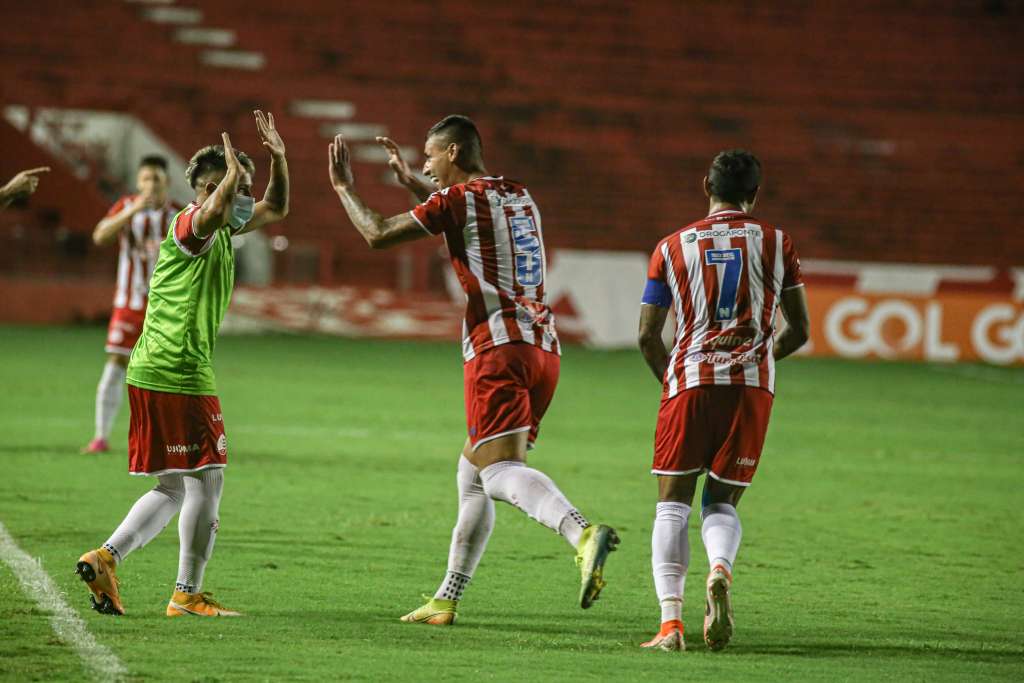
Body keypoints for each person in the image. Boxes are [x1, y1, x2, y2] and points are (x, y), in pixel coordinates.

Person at [327, 115, 619, 625]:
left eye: (431, 156)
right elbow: (466, 210)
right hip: (543, 347)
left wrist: (344, 187)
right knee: (472, 473)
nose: (426, 166)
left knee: (499, 470)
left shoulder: (456, 201)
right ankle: (446, 597)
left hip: (497, 348)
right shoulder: (520, 196)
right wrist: (417, 184)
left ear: (455, 152)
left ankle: (582, 533)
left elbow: (377, 233)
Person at [75, 111, 289, 618]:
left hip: (155, 368)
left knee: (174, 484)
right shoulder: (189, 227)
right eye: (234, 190)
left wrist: (278, 159)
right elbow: (212, 213)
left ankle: (107, 558)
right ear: (207, 189)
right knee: (208, 477)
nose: (242, 201)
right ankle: (186, 593)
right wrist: (229, 183)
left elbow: (277, 207)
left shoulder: (223, 227)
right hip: (178, 370)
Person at [637, 150, 809, 652]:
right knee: (720, 499)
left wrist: (672, 384)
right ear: (755, 195)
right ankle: (719, 570)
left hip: (689, 383)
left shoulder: (670, 247)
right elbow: (798, 329)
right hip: (751, 388)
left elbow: (648, 335)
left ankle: (671, 627)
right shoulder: (779, 242)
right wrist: (760, 357)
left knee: (672, 505)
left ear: (704, 186)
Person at [82, 155, 180, 454]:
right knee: (115, 364)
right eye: (146, 179)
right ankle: (100, 437)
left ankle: (167, 441)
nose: (151, 185)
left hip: (167, 308)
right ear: (138, 182)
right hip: (130, 302)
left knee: (168, 373)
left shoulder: (178, 214)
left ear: (167, 183)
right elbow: (100, 236)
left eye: (157, 180)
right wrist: (135, 208)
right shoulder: (126, 207)